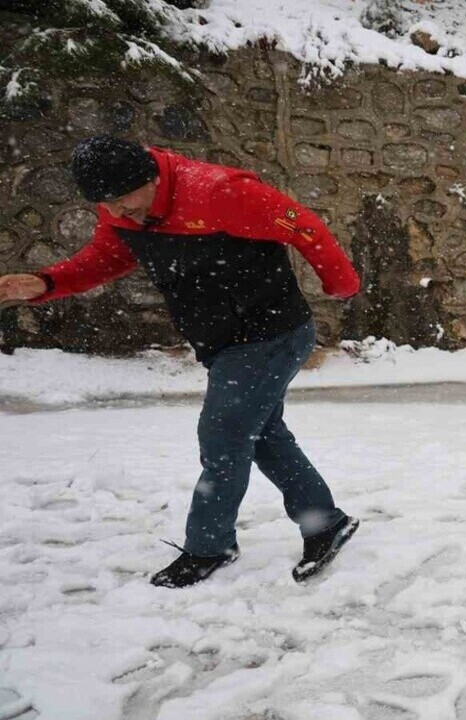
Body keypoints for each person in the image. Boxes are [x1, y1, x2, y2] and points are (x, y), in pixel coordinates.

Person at [0, 136, 362, 587]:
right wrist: (45, 282)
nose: (117, 213)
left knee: (223, 436)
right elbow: (108, 258)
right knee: (261, 433)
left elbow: (303, 224)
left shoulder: (220, 192)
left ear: (151, 179)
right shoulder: (120, 207)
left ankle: (208, 547)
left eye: (123, 202)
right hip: (223, 340)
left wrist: (340, 282)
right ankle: (325, 521)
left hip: (270, 333)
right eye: (106, 205)